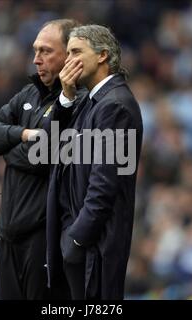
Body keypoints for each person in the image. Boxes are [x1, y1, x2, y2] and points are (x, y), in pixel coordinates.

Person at [0, 19, 80, 300]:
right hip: (8, 234)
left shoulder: (79, 102)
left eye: (46, 51)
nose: (36, 59)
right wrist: (22, 134)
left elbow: (42, 156)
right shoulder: (29, 93)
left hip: (44, 237)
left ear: (69, 54)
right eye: (35, 51)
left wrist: (7, 148)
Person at [45, 24, 143, 299]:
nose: (68, 61)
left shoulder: (114, 105)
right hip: (83, 241)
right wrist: (65, 96)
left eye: (76, 51)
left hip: (96, 244)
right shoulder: (91, 100)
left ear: (102, 55)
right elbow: (55, 146)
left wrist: (77, 237)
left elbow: (104, 183)